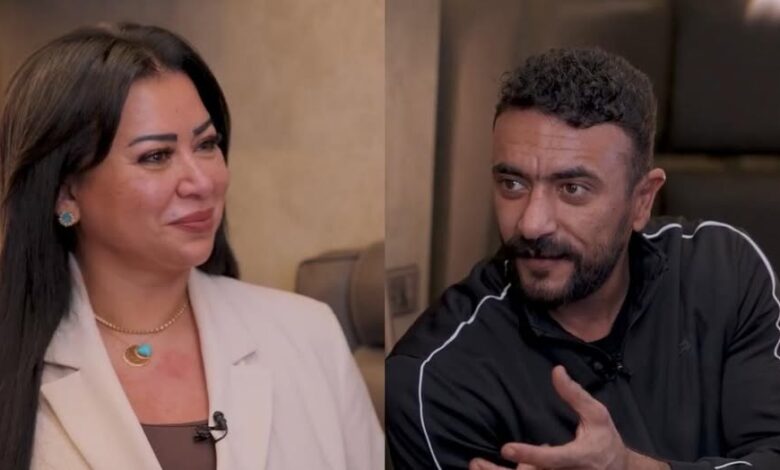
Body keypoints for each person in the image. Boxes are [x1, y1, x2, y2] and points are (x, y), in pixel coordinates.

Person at [0, 23, 382, 469]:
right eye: (156, 156)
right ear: (66, 193)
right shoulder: (15, 357)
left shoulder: (309, 333)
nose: (202, 181)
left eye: (206, 144)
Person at [386, 47, 780, 470]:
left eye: (572, 189)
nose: (532, 224)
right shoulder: (434, 378)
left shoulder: (722, 271)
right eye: (513, 184)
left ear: (642, 201)